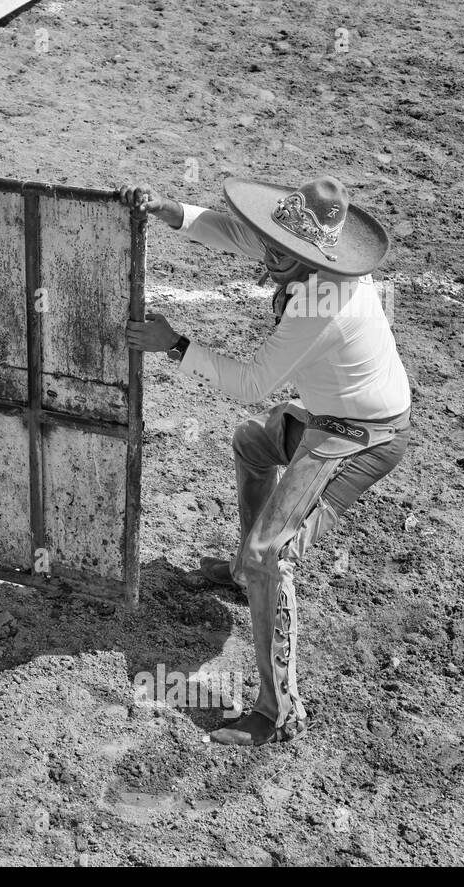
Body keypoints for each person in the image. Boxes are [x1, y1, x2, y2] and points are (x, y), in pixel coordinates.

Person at [123, 175, 412, 748]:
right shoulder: (301, 254)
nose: (270, 253)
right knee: (254, 442)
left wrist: (175, 345)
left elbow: (252, 380)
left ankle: (278, 712)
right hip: (333, 414)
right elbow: (232, 231)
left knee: (270, 554)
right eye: (276, 242)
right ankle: (242, 576)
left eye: (283, 248)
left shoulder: (322, 306)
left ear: (315, 254)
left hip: (360, 437)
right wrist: (167, 208)